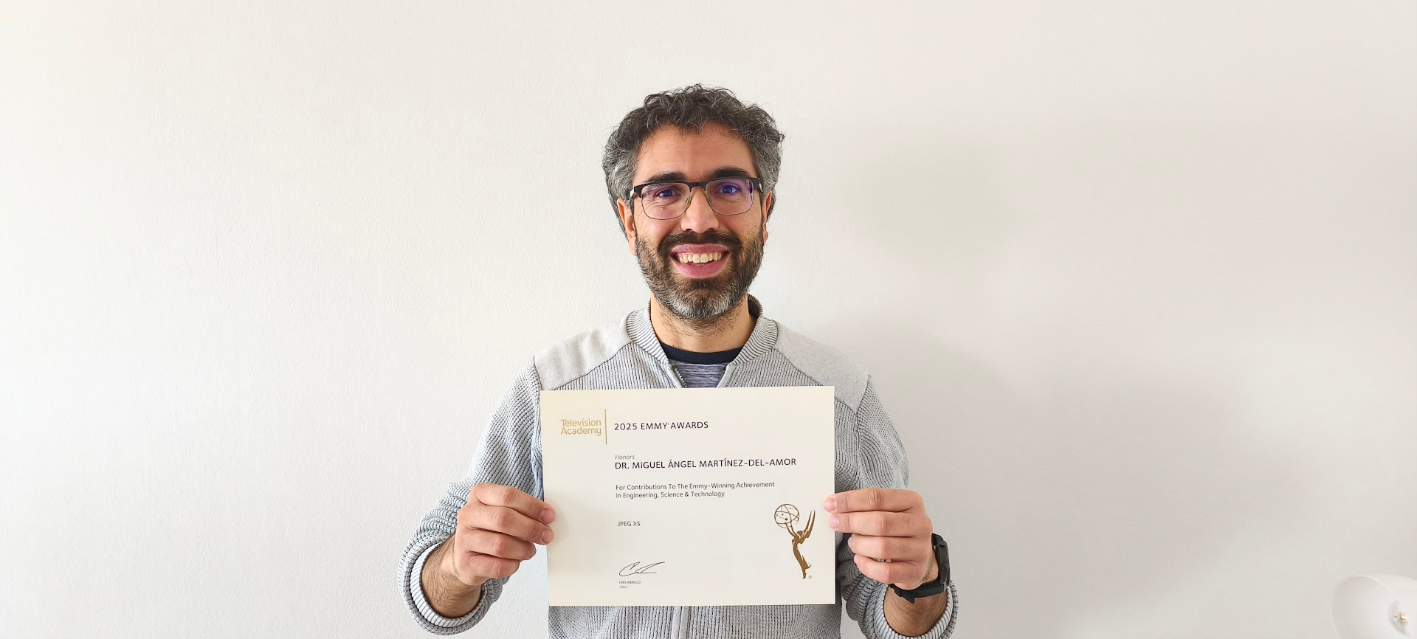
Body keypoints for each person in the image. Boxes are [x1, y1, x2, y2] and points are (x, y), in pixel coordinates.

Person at [398, 85, 958, 638]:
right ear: (628, 221)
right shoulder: (556, 386)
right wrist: (459, 564)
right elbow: (434, 600)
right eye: (665, 192)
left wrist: (920, 581)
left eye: (729, 188)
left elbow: (894, 618)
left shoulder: (840, 392)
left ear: (764, 212)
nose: (698, 219)